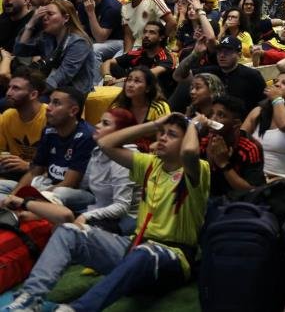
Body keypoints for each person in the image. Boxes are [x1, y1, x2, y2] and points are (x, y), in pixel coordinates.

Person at [6, 112, 208, 312]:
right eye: (162, 133)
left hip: (173, 256)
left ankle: (77, 309)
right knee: (69, 230)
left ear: (186, 140)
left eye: (172, 134)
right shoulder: (150, 164)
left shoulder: (197, 169)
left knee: (144, 253)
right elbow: (105, 144)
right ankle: (30, 299)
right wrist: (155, 124)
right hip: (135, 245)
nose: (163, 137)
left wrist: (193, 125)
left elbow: (189, 152)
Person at [5, 108, 137, 235]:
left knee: (63, 226)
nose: (97, 126)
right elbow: (84, 186)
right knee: (44, 189)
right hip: (95, 205)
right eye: (99, 121)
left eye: (105, 123)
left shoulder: (124, 160)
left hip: (122, 218)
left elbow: (121, 206)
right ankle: (29, 211)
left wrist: (85, 215)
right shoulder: (98, 151)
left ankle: (30, 212)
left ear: (121, 132)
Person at [0, 86, 96, 211]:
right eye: (50, 101)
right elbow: (35, 171)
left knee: (61, 192)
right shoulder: (48, 131)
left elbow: (70, 183)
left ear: (73, 111)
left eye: (56, 103)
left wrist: (28, 200)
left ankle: (29, 209)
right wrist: (13, 196)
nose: (48, 107)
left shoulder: (86, 136)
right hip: (48, 185)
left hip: (79, 194)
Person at [14, 0, 99, 96]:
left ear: (66, 18)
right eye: (43, 15)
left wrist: (32, 91)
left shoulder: (79, 42)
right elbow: (20, 51)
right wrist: (31, 23)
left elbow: (63, 75)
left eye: (50, 14)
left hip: (73, 94)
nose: (44, 18)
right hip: (51, 88)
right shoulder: (48, 38)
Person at [243, 71, 285, 183]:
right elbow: (241, 139)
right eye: (276, 81)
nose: (277, 84)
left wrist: (276, 99)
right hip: (259, 179)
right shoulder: (258, 111)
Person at [171, 35, 267, 111]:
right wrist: (195, 54)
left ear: (239, 55)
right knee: (183, 87)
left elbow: (264, 104)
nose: (222, 55)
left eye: (227, 52)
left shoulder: (252, 76)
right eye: (219, 51)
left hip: (240, 125)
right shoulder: (210, 71)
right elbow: (178, 76)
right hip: (210, 120)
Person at [196, 94, 265, 197]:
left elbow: (253, 192)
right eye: (211, 114)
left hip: (237, 203)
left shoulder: (250, 148)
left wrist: (224, 163)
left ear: (236, 124)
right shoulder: (205, 139)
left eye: (221, 115)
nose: (212, 119)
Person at [0, 67, 48, 181]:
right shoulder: (8, 116)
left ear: (33, 94)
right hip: (13, 172)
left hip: (41, 177)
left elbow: (60, 165)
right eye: (9, 87)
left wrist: (28, 166)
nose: (8, 93)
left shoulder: (50, 118)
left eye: (16, 89)